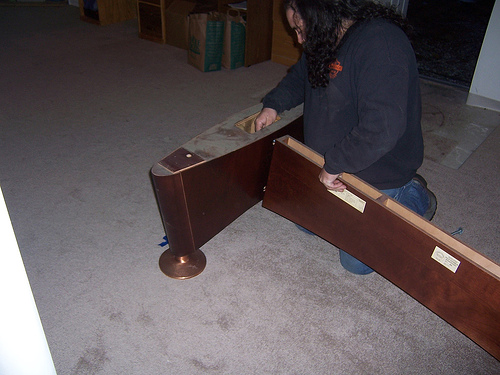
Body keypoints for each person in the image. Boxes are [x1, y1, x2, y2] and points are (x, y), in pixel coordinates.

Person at [254, 0, 437, 275]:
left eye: (301, 29)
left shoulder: (381, 43)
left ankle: (414, 195)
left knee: (356, 264)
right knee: (303, 221)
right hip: (332, 166)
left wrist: (334, 164)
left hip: (378, 170)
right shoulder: (324, 39)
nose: (299, 40)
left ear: (322, 14)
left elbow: (382, 128)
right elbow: (299, 77)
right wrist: (273, 105)